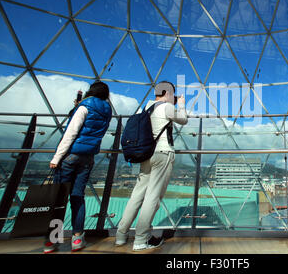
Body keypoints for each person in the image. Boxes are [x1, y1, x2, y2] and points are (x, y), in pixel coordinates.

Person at [115, 81, 187, 251]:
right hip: (162, 154)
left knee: (137, 195)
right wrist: (182, 105)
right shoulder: (166, 107)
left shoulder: (145, 108)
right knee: (153, 197)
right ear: (168, 93)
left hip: (145, 154)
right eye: (172, 94)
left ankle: (121, 235)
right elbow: (183, 120)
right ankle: (141, 239)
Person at [44, 81, 112, 253]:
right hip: (88, 157)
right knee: (77, 197)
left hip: (70, 155)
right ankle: (77, 239)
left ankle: (52, 241)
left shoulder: (85, 106)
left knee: (59, 199)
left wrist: (57, 157)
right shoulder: (107, 110)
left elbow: (72, 132)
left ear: (91, 91)